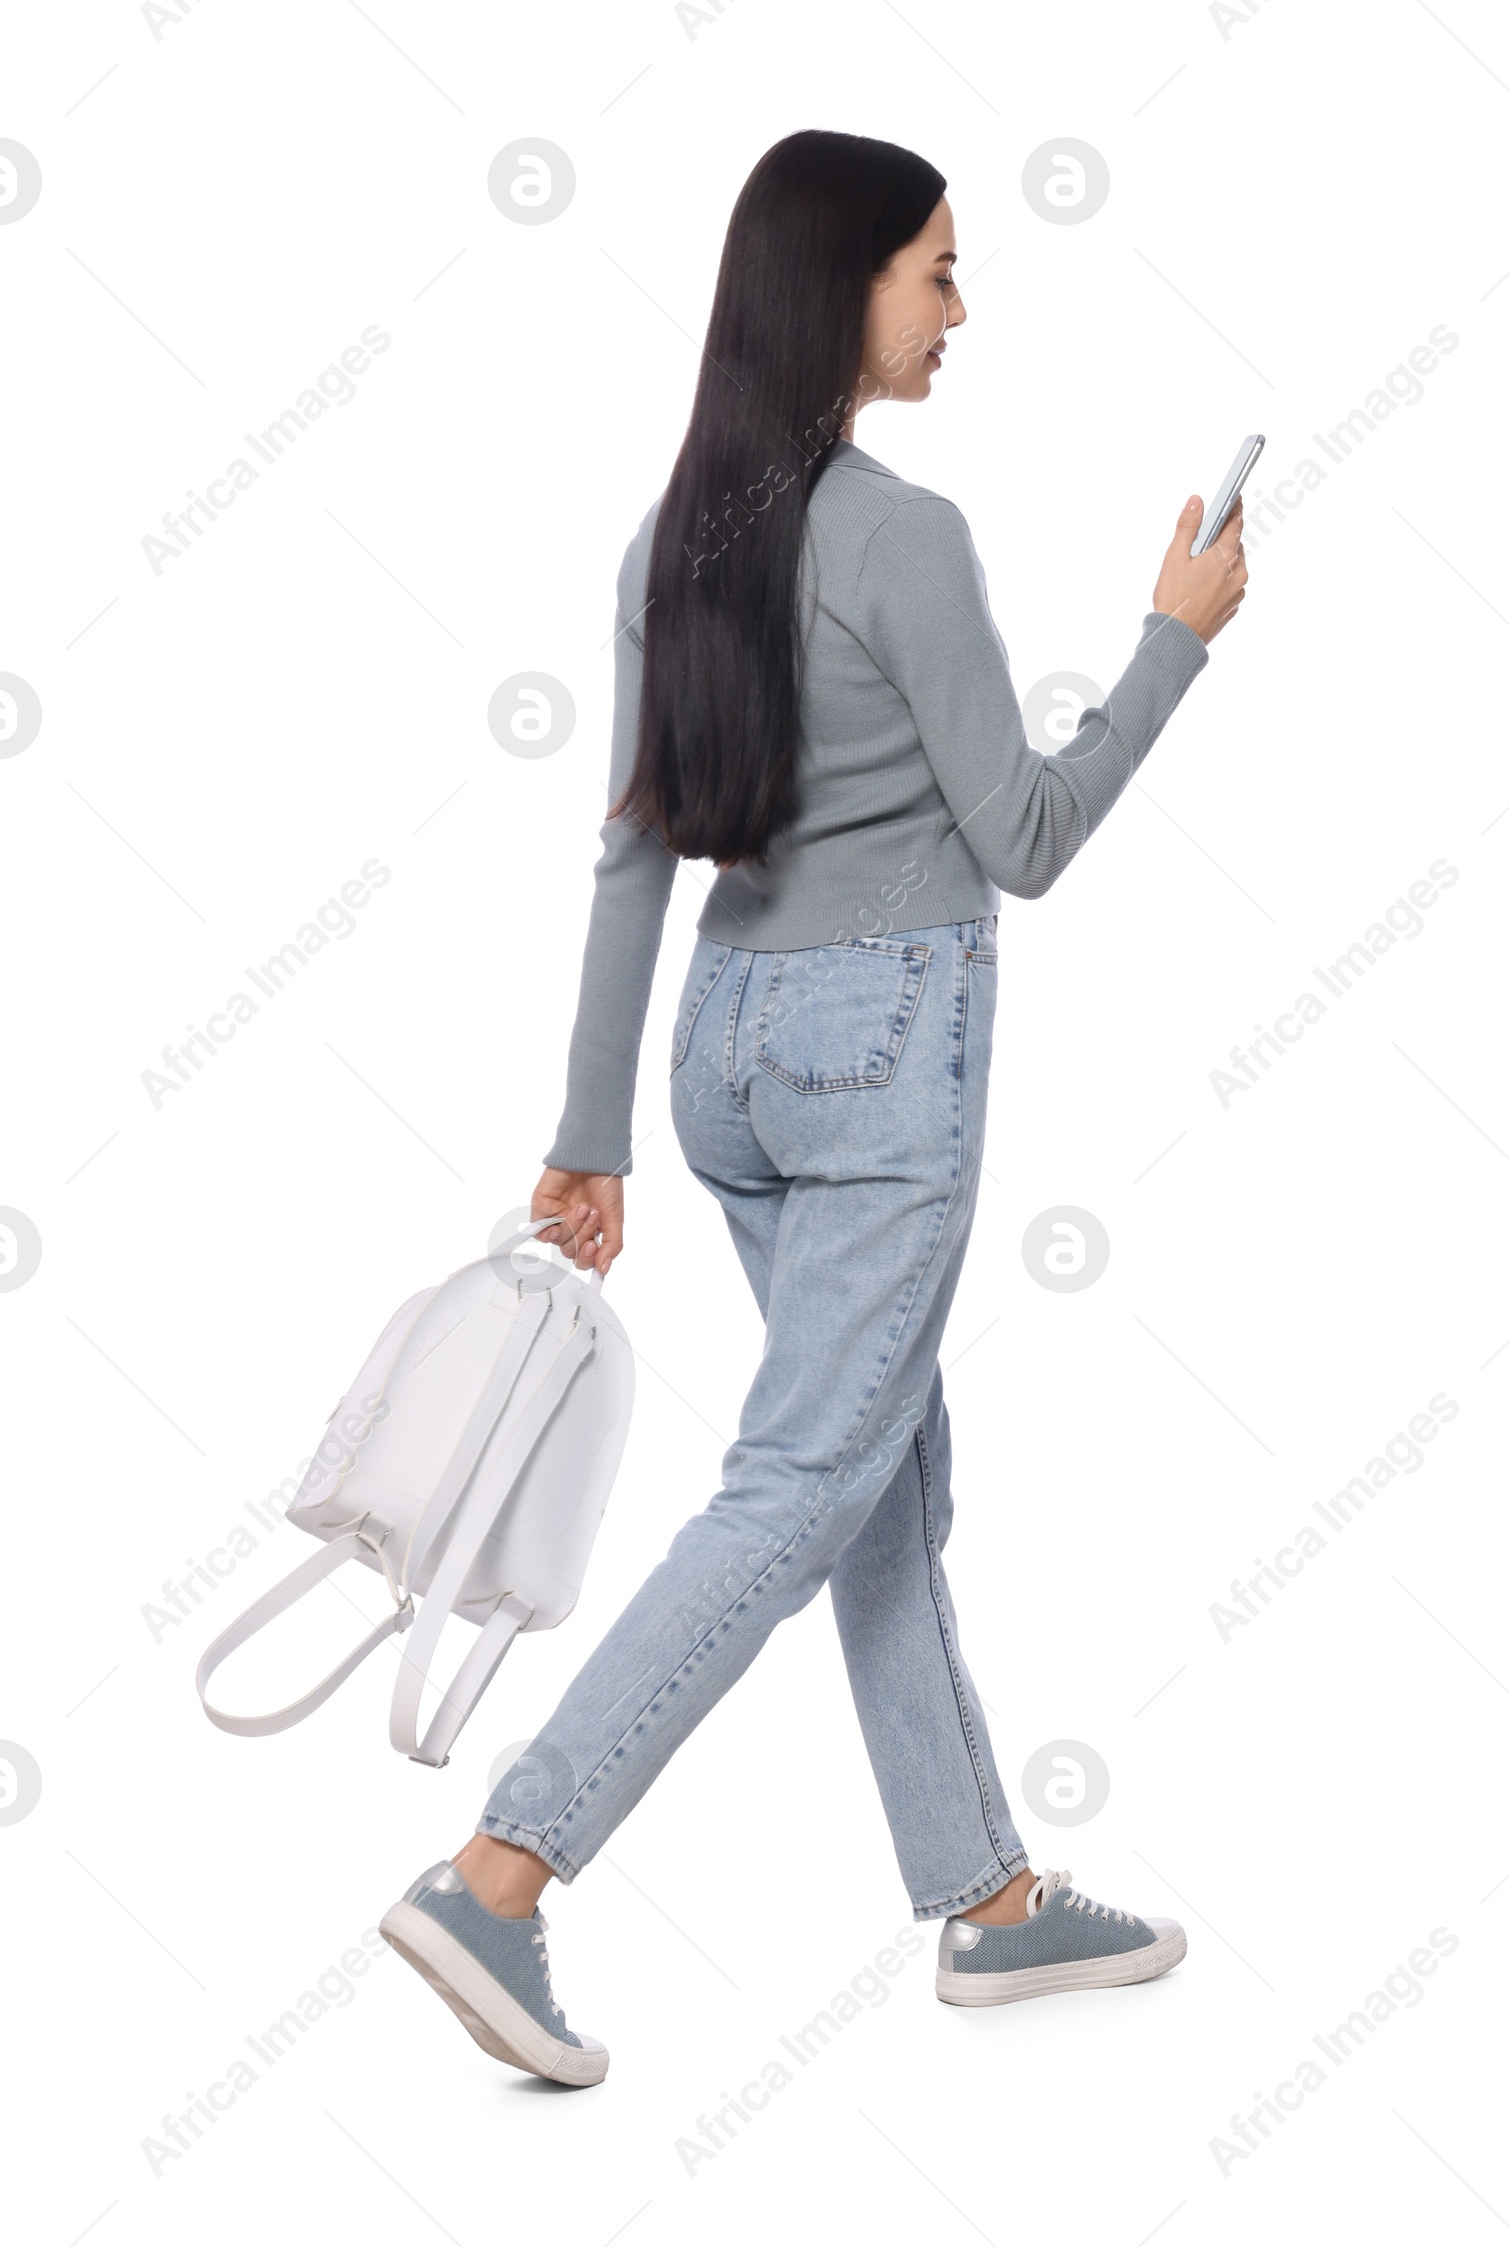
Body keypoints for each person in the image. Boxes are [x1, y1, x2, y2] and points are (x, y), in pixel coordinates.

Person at [380, 129, 1247, 2084]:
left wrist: (588, 1134)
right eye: (935, 272)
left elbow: (629, 860)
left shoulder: (665, 535)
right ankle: (500, 1875)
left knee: (872, 1480)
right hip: (878, 1054)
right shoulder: (901, 535)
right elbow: (1022, 839)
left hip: (724, 1064)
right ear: (839, 286)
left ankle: (987, 1902)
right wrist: (1174, 642)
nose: (957, 310)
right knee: (796, 1484)